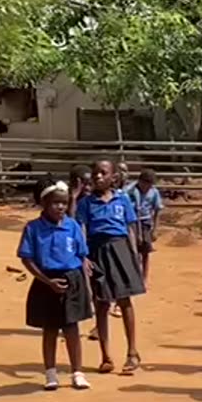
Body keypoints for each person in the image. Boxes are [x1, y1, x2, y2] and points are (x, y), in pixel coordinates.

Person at [18, 180, 93, 391]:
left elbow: (81, 252)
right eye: (55, 203)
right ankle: (50, 373)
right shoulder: (33, 228)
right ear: (44, 203)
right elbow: (26, 258)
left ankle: (77, 372)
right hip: (46, 280)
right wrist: (47, 281)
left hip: (72, 279)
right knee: (50, 329)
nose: (60, 207)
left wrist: (84, 263)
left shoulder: (72, 226)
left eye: (64, 203)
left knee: (72, 328)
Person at [76, 159, 145, 375]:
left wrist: (134, 256)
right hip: (97, 251)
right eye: (95, 173)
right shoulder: (86, 203)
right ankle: (105, 356)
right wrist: (84, 256)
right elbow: (81, 229)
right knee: (102, 304)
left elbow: (131, 228)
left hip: (120, 248)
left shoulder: (122, 199)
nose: (98, 177)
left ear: (113, 177)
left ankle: (132, 352)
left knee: (125, 301)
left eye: (103, 173)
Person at [126, 169, 163, 282]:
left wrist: (155, 229)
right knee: (133, 249)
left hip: (145, 222)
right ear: (140, 181)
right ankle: (134, 275)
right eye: (146, 184)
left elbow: (157, 210)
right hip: (132, 222)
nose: (147, 187)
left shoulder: (153, 192)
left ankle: (144, 277)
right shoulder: (129, 191)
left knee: (145, 250)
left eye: (150, 184)